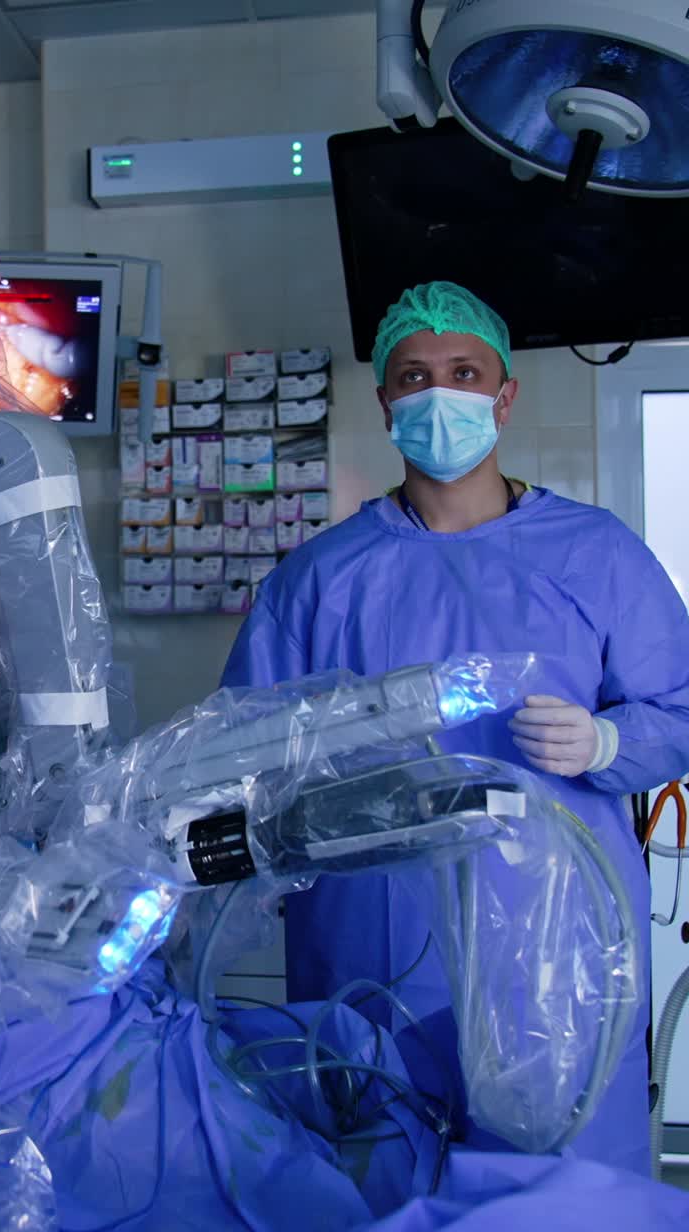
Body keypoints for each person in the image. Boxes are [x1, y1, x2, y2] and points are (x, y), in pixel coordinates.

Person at [222, 280, 689, 1175]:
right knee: (379, 1179)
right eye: (415, 375)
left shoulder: (596, 554)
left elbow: (679, 711)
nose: (441, 394)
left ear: (504, 395)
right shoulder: (321, 579)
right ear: (387, 400)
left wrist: (609, 744)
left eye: (464, 372)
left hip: (560, 940)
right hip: (367, 942)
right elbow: (246, 758)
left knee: (564, 1198)